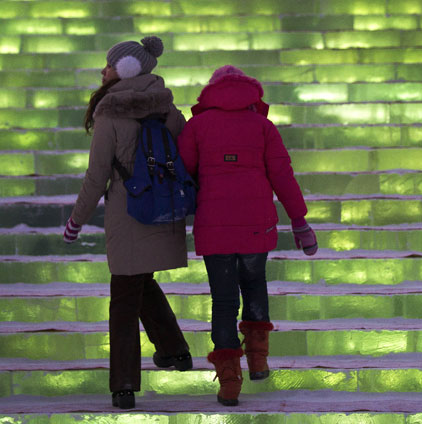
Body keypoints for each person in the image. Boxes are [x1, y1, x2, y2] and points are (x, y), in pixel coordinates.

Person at [62, 36, 192, 410]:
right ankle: (174, 350)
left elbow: (96, 175)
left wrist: (76, 220)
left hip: (127, 214)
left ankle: (123, 385)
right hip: (163, 211)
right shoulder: (168, 109)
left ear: (125, 70)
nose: (103, 70)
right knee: (139, 280)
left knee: (123, 296)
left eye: (109, 64)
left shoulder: (111, 111)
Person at [177, 65, 318, 406]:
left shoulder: (197, 126)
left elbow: (184, 175)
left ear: (211, 91)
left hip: (214, 224)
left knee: (223, 300)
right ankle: (258, 361)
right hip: (257, 223)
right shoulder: (263, 127)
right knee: (255, 283)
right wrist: (300, 222)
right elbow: (283, 176)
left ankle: (229, 382)